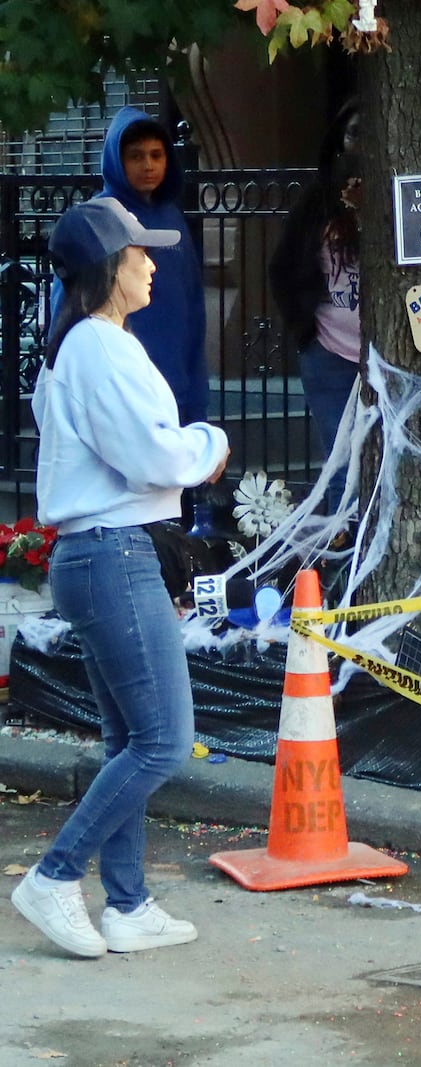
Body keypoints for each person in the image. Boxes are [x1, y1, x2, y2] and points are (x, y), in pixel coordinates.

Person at [11, 198, 230, 958]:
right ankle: (55, 874)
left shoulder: (82, 345)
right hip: (114, 552)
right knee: (164, 740)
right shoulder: (100, 348)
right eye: (139, 251)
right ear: (108, 264)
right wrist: (208, 444)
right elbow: (155, 457)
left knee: (128, 738)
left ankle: (129, 904)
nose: (151, 262)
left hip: (99, 553)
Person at [90, 108, 208, 426]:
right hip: (119, 392)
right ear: (117, 159)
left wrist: (197, 396)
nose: (148, 165)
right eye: (136, 156)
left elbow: (194, 307)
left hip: (175, 386)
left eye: (157, 155)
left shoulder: (172, 218)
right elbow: (71, 307)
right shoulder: (97, 219)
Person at [270, 101, 362, 507]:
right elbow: (283, 267)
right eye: (354, 133)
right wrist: (305, 332)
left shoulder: (398, 199)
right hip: (330, 355)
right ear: (338, 141)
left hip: (393, 357)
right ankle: (345, 565)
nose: (361, 145)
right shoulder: (315, 205)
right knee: (342, 470)